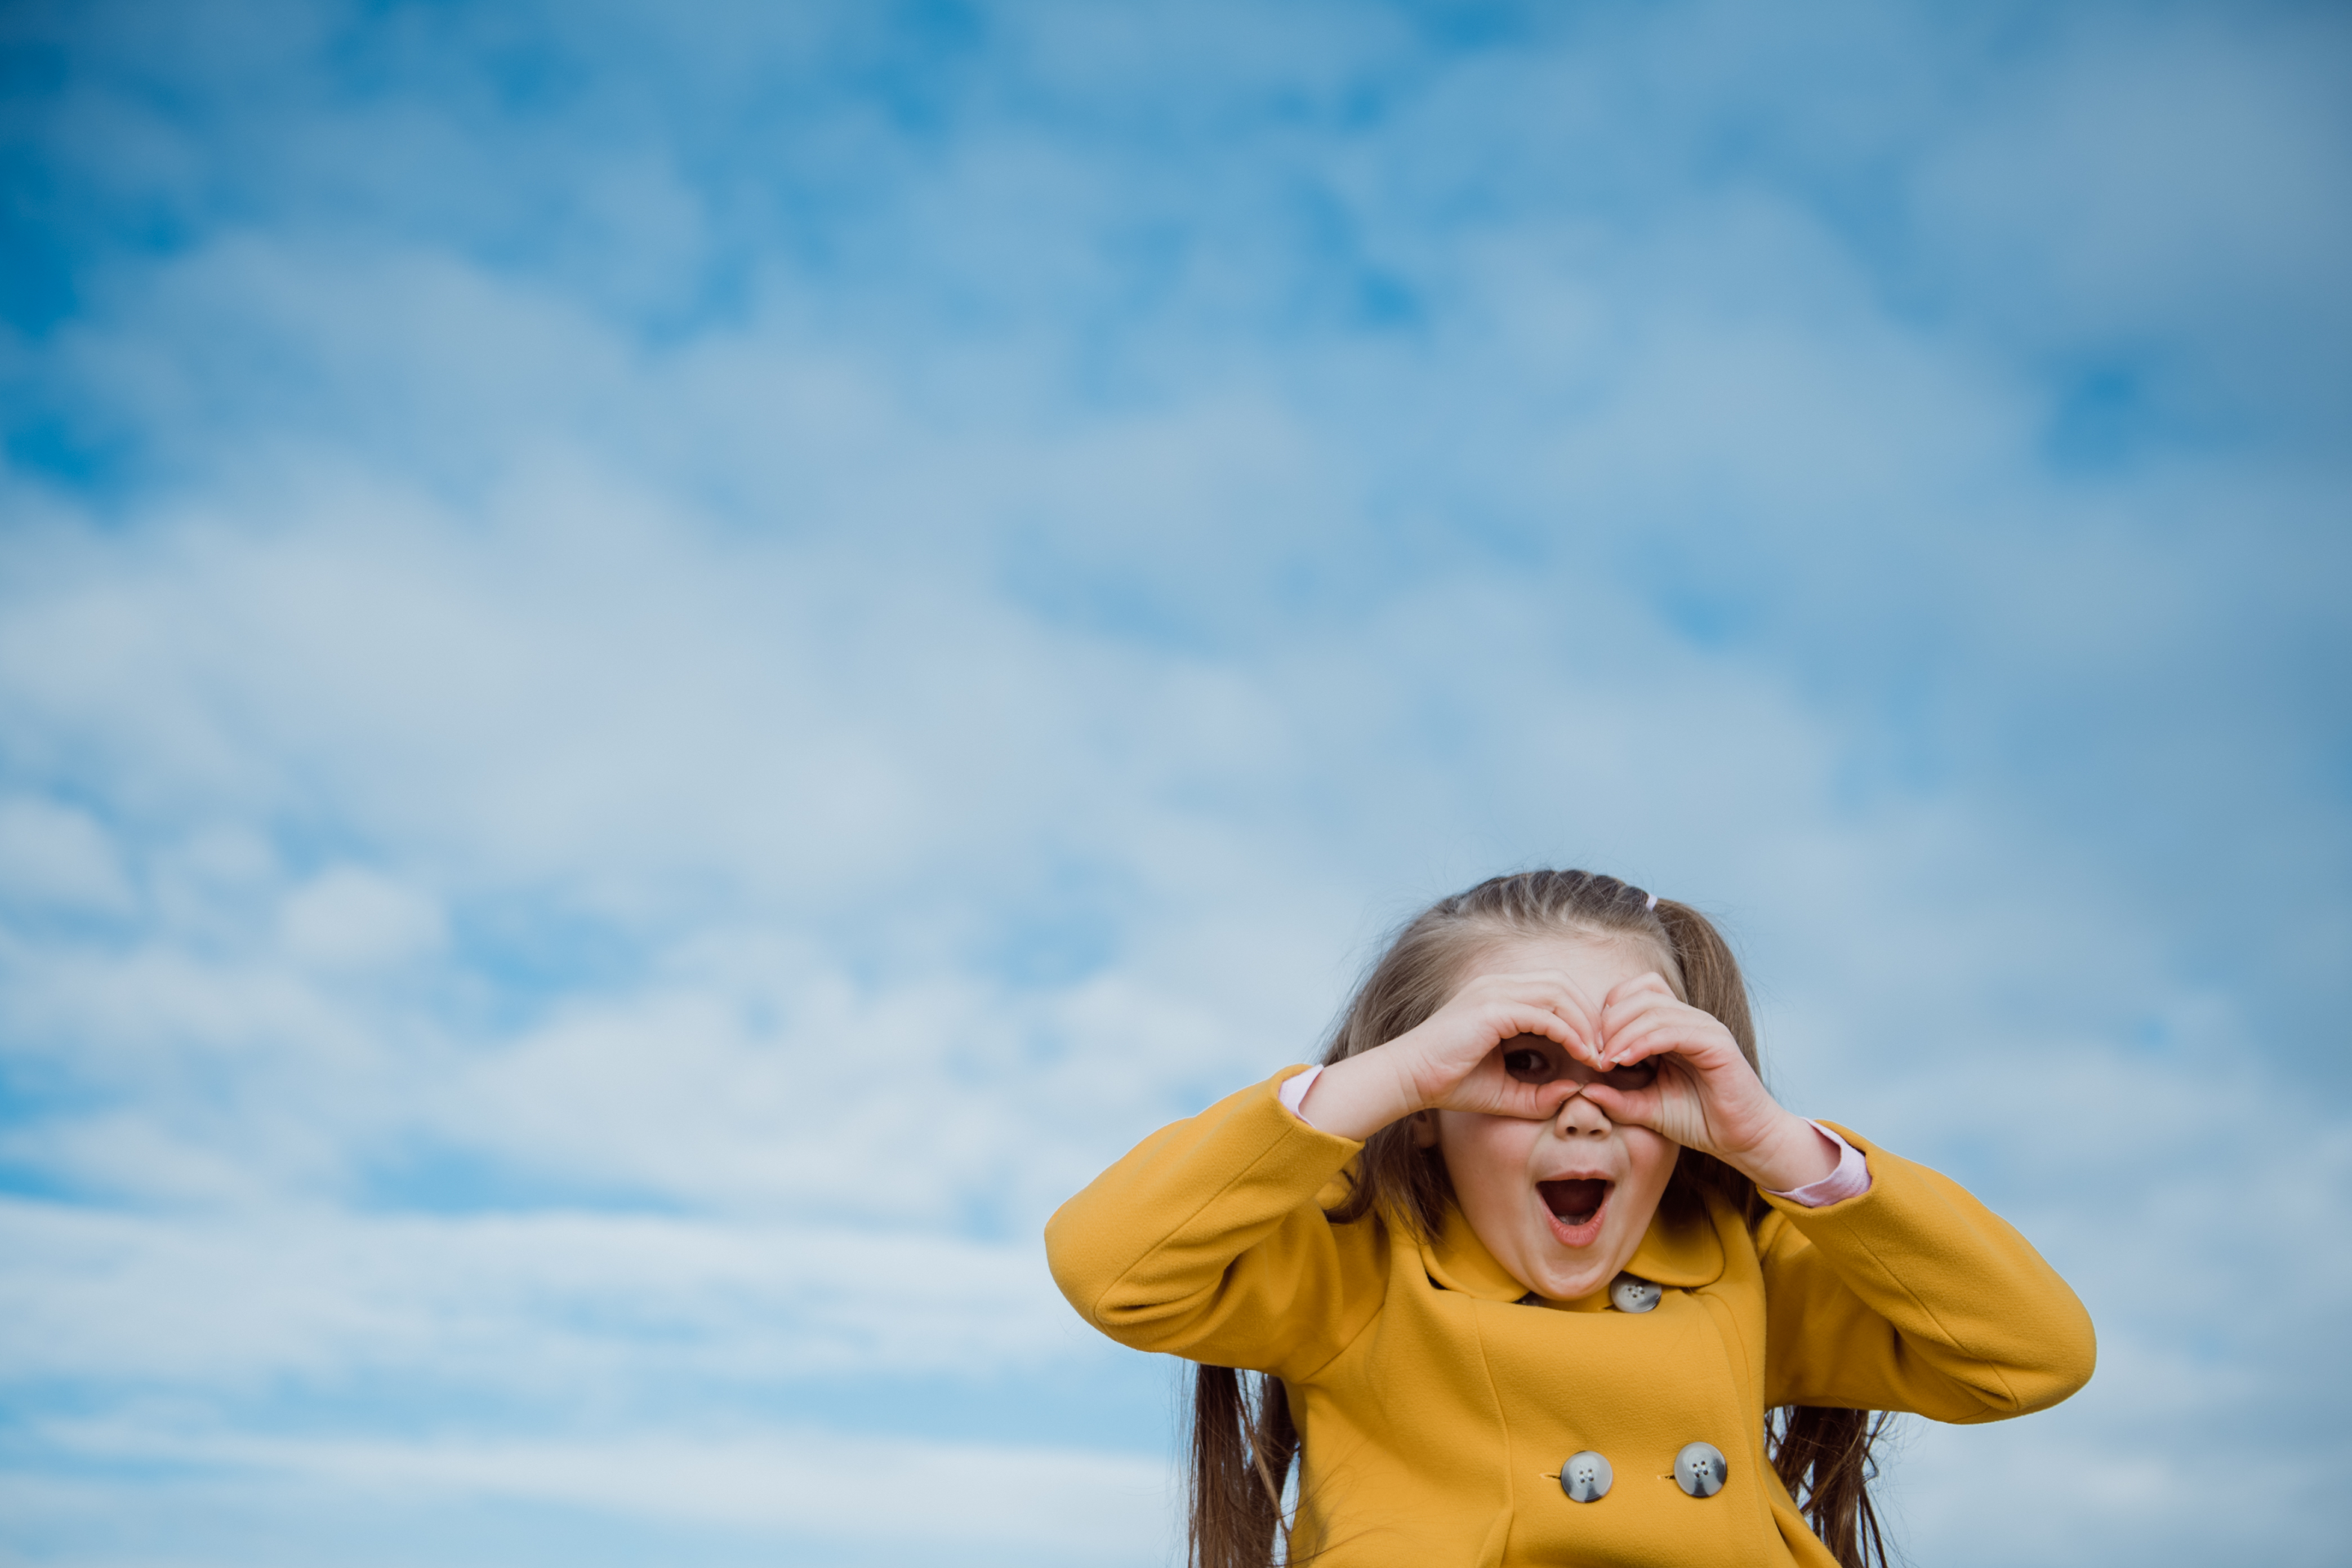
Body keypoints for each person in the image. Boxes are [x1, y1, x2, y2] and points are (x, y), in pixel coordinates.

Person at [1045, 870, 2095, 1568]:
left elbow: (2031, 1355)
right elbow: (1113, 1266)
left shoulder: (1742, 1271)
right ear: (1424, 1113)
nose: (1586, 1109)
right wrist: (1388, 1079)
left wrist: (1780, 1147)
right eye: (1522, 1063)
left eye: (1640, 1069)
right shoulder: (1363, 1277)